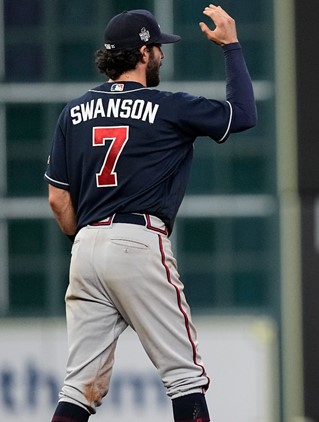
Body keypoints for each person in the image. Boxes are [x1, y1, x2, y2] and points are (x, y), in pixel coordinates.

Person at [45, 5, 257, 422]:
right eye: (157, 47)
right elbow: (244, 115)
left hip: (85, 246)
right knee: (184, 376)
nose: (161, 54)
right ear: (142, 53)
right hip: (138, 240)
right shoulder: (168, 106)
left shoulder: (72, 111)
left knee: (79, 387)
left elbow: (57, 199)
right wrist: (231, 46)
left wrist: (91, 240)